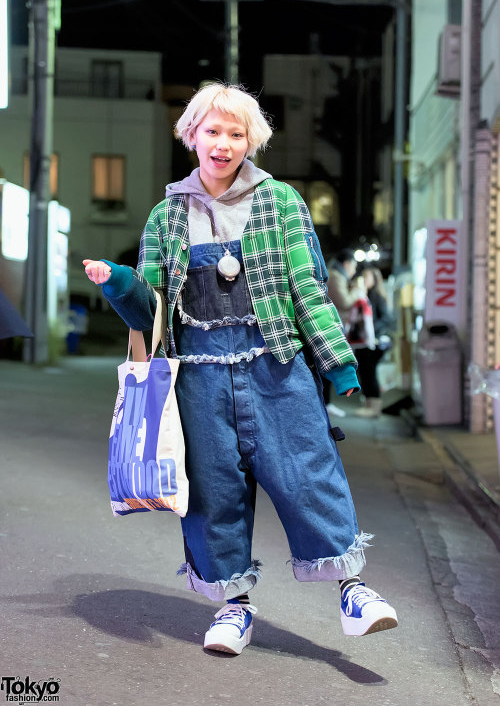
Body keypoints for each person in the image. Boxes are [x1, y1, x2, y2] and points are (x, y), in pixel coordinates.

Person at [83, 83, 397, 656]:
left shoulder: (281, 203)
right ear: (191, 135)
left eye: (236, 134)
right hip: (197, 377)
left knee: (308, 472)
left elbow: (307, 286)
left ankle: (354, 591)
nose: (223, 144)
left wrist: (337, 361)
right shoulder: (166, 215)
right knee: (213, 493)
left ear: (252, 141)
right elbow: (150, 312)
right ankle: (234, 608)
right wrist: (119, 282)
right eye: (212, 131)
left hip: (274, 366)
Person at [323, 248, 365, 418]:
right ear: (347, 264)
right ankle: (326, 403)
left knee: (331, 364)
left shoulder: (337, 276)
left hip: (335, 327)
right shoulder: (335, 277)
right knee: (330, 364)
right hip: (331, 328)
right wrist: (358, 291)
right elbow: (345, 301)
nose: (354, 270)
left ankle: (327, 403)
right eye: (354, 266)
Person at [354, 266, 394, 418]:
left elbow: (386, 319)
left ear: (375, 279)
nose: (364, 280)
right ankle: (368, 404)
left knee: (370, 373)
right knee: (364, 372)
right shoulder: (366, 295)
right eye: (362, 276)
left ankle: (374, 407)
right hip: (365, 342)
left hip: (374, 342)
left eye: (367, 277)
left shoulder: (378, 296)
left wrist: (371, 329)